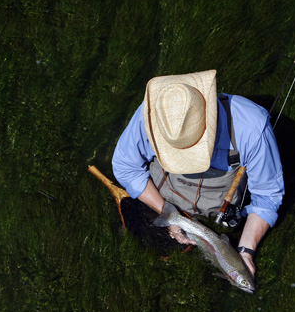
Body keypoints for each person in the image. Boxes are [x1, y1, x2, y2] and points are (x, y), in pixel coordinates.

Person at [112, 70, 284, 277]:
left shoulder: (252, 129)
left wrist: (245, 251)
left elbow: (267, 198)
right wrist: (167, 214)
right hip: (160, 196)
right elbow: (125, 166)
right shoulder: (154, 114)